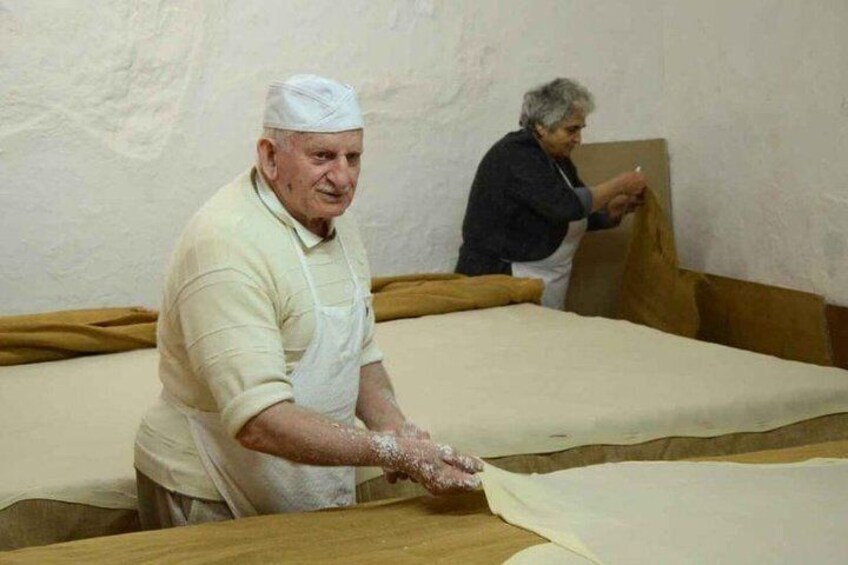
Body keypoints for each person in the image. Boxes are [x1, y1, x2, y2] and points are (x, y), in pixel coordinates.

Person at [134, 74, 482, 529]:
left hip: (298, 477)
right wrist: (389, 451)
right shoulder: (225, 244)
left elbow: (356, 351)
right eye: (322, 156)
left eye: (353, 157)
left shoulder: (338, 223)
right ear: (270, 157)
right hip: (212, 486)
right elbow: (257, 419)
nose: (342, 178)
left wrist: (395, 429)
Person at [455, 77, 647, 310]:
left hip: (543, 277)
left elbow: (578, 211)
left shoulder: (557, 159)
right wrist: (619, 185)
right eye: (571, 130)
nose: (578, 139)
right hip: (501, 278)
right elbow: (565, 205)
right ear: (541, 126)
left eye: (580, 129)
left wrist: (613, 211)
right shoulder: (516, 155)